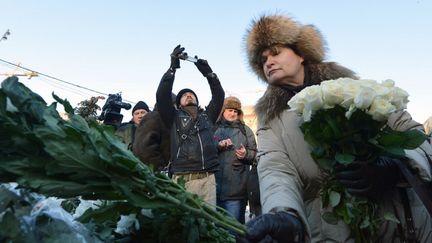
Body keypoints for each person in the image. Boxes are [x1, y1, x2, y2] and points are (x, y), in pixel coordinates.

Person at [239, 14, 432, 242]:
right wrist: (283, 213)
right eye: (263, 60)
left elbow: (412, 134)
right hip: (332, 229)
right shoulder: (270, 117)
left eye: (276, 52)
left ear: (301, 54)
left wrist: (394, 167)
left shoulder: (353, 89)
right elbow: (275, 167)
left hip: (398, 223)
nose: (268, 62)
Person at [156, 45, 225, 205]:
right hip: (183, 180)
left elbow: (219, 95)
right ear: (179, 103)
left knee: (208, 227)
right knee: (185, 225)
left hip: (208, 179)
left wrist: (208, 73)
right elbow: (161, 95)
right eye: (184, 95)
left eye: (191, 94)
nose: (188, 95)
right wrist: (172, 68)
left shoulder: (207, 116)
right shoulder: (172, 117)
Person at [214, 96, 257, 224]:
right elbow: (205, 150)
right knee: (216, 230)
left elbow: (255, 154)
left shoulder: (246, 131)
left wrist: (245, 154)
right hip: (214, 189)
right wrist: (218, 146)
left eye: (235, 111)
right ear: (223, 111)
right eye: (230, 110)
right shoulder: (213, 128)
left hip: (236, 190)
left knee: (234, 229)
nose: (233, 113)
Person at [133, 94, 176, 172]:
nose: (140, 115)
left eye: (142, 112)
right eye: (137, 113)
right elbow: (143, 148)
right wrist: (160, 168)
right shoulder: (153, 117)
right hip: (159, 173)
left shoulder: (173, 120)